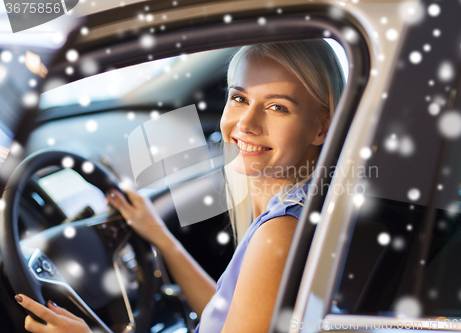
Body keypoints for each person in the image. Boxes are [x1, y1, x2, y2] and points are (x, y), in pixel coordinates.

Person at [15, 39, 345, 333]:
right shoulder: (296, 209)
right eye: (239, 98)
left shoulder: (280, 232)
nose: (246, 123)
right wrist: (160, 236)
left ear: (321, 127)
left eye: (277, 107)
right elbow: (224, 314)